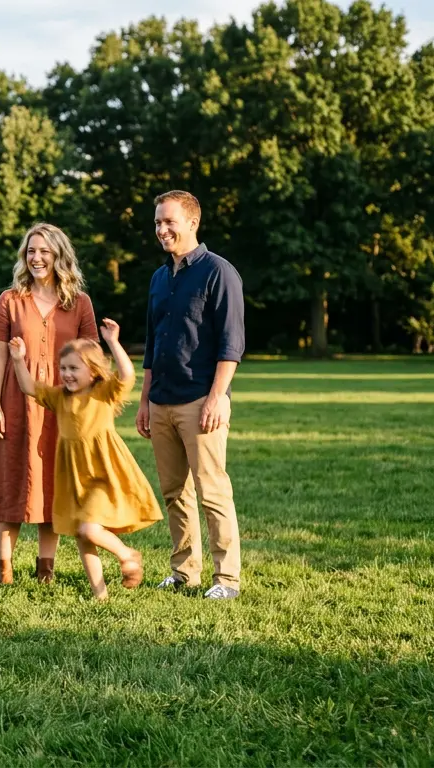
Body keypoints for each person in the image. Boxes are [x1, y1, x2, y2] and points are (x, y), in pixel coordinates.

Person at [134, 190, 245, 600]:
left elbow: (231, 344)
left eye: (169, 222)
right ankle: (184, 572)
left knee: (212, 490)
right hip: (161, 400)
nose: (162, 229)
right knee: (174, 493)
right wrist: (145, 400)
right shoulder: (160, 278)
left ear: (192, 223)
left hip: (201, 400)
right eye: (158, 222)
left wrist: (217, 398)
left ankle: (226, 579)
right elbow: (151, 343)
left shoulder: (219, 273)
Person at [8, 322, 162, 600]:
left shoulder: (103, 393)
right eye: (63, 368)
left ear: (92, 371)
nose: (66, 374)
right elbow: (29, 387)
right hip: (74, 475)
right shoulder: (59, 397)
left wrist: (113, 342)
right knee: (83, 535)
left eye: (73, 368)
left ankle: (128, 555)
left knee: (90, 528)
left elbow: (127, 375)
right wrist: (19, 359)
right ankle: (99, 595)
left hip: (103, 471)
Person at [0, 223, 98, 585]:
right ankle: (4, 569)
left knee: (54, 484)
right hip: (16, 400)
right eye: (31, 251)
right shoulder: (10, 300)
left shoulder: (79, 303)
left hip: (61, 406)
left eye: (44, 252)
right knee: (13, 479)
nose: (36, 258)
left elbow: (91, 358)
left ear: (59, 256)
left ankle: (45, 569)